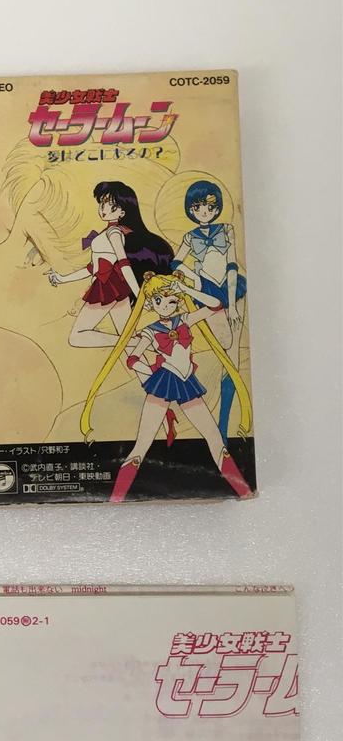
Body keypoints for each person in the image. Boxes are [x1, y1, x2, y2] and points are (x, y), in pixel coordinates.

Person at [80, 272, 253, 502]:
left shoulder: (185, 319)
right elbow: (133, 358)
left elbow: (215, 305)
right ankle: (115, 499)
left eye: (171, 300)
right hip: (162, 383)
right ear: (151, 302)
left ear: (178, 301)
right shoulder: (151, 331)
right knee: (141, 447)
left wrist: (186, 289)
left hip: (187, 384)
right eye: (159, 300)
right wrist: (150, 374)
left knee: (215, 440)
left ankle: (244, 492)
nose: (165, 305)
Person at [45, 181, 173, 349]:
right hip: (116, 287)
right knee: (127, 340)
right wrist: (62, 279)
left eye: (112, 206)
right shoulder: (108, 233)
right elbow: (92, 268)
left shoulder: (114, 233)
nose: (104, 209)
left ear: (122, 212)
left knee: (77, 337)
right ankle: (150, 352)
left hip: (107, 287)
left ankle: (145, 342)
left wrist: (140, 295)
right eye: (102, 203)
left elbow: (124, 264)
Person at [169, 180, 247, 437]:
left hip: (232, 289)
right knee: (225, 350)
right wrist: (195, 278)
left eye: (210, 207)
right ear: (191, 209)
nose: (204, 212)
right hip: (207, 292)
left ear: (217, 207)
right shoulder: (189, 237)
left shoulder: (227, 229)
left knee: (232, 357)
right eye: (198, 207)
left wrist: (232, 305)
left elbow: (232, 265)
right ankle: (218, 427)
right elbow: (175, 263)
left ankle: (224, 424)